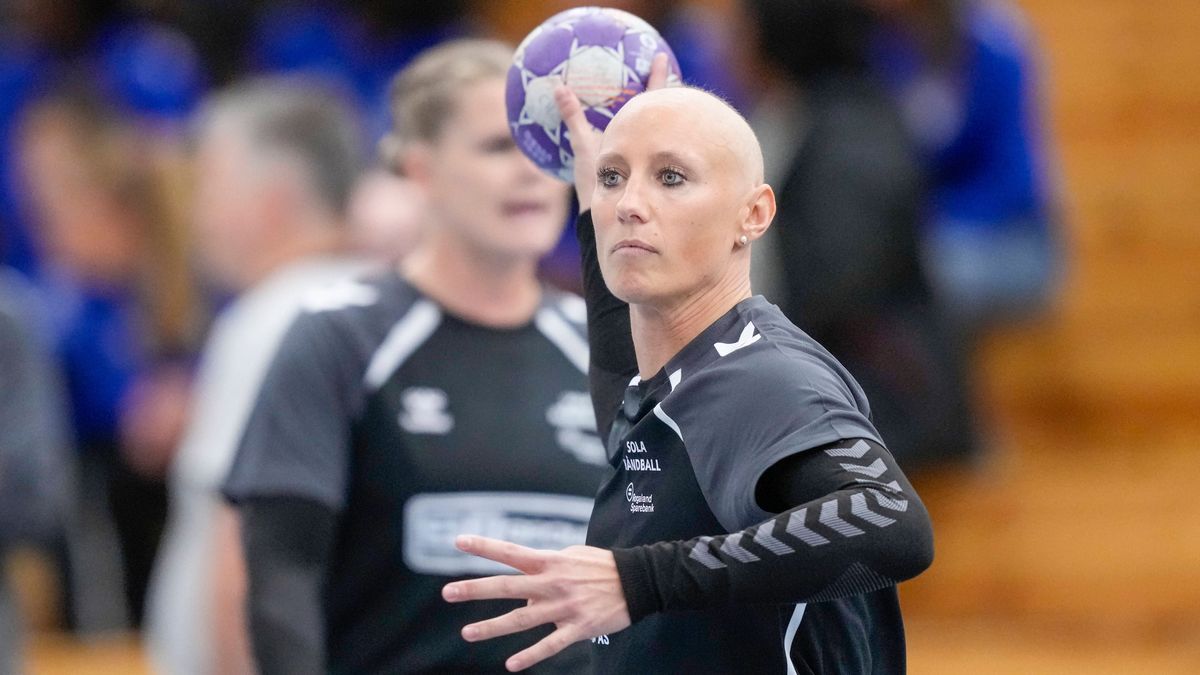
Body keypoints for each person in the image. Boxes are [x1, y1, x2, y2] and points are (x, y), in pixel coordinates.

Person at [440, 58, 934, 673]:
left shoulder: (762, 375)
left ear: (753, 214)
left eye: (671, 177)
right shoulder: (671, 381)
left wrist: (637, 580)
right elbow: (622, 369)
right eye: (612, 178)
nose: (629, 204)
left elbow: (891, 523)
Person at [221, 39, 606, 674]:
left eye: (543, 148)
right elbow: (279, 578)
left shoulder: (605, 349)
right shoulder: (340, 338)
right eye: (496, 147)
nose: (528, 171)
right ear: (420, 169)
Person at [145, 76, 369, 675]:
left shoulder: (273, 320)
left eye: (209, 187)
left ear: (270, 199)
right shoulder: (373, 309)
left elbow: (246, 543)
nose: (193, 216)